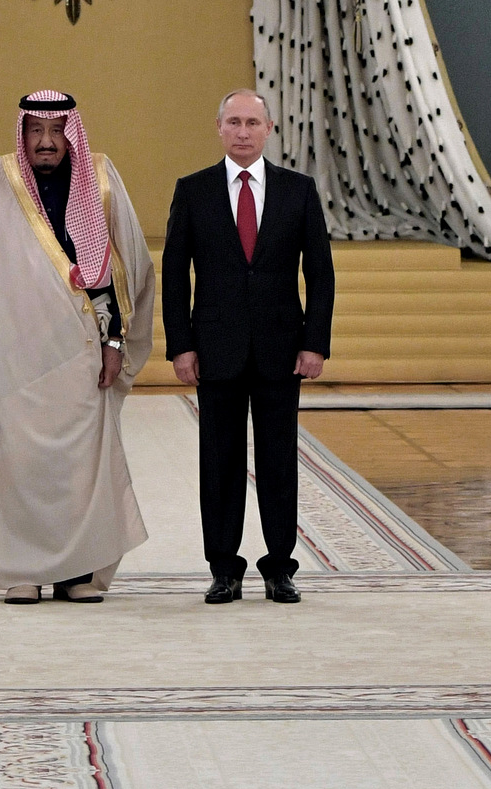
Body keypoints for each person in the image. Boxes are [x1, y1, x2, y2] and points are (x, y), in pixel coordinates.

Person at [0, 90, 155, 604]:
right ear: (22, 133)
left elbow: (126, 266)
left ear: (71, 133)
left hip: (82, 346)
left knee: (82, 464)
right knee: (22, 461)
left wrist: (114, 341)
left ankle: (78, 571)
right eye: (36, 130)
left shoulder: (100, 176)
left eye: (57, 130)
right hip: (17, 349)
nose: (46, 141)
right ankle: (23, 569)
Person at [162, 89, 335, 605]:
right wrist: (181, 346)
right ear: (218, 128)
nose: (242, 132)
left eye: (251, 123)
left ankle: (280, 567)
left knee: (280, 461)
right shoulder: (192, 191)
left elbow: (320, 274)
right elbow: (175, 275)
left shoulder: (298, 191)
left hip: (283, 350)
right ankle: (224, 568)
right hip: (215, 349)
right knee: (219, 462)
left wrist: (315, 342)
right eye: (233, 122)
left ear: (269, 129)